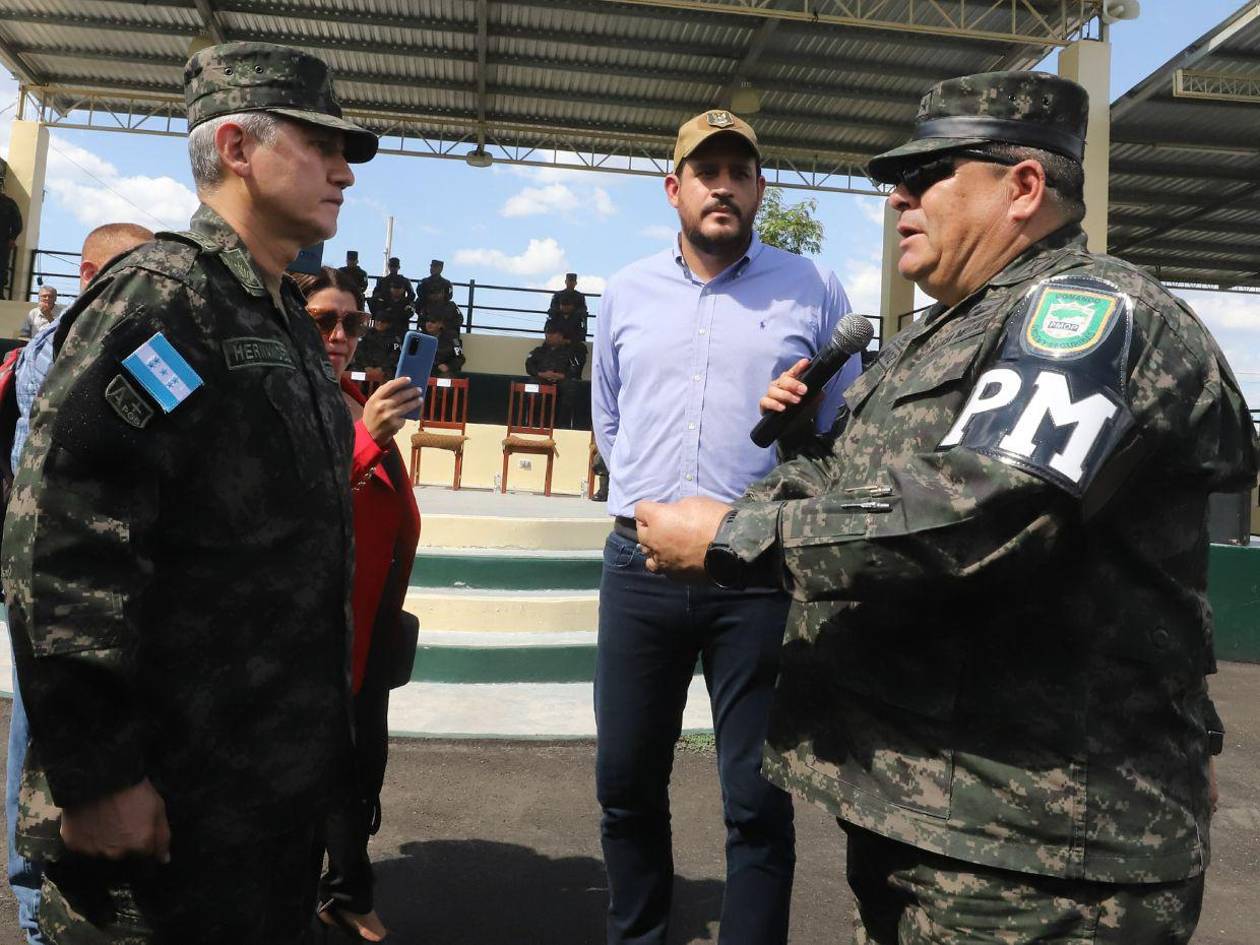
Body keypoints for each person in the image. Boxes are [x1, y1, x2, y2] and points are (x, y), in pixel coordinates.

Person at [634, 72, 1259, 945]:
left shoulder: (1091, 315)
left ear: (1023, 187)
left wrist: (734, 534)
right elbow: (860, 486)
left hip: (1044, 857)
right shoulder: (939, 333)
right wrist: (799, 446)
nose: (898, 198)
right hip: (931, 824)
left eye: (926, 175)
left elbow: (984, 513)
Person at [0, 40, 379, 944]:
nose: (343, 172)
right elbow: (62, 542)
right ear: (238, 148)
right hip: (166, 813)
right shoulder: (164, 301)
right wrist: (98, 776)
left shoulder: (282, 318)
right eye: (320, 144)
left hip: (261, 806)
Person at [590, 109, 859, 945]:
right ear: (674, 189)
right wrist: (654, 507)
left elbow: (851, 435)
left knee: (756, 799)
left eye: (739, 172)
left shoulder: (814, 288)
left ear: (760, 189)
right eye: (706, 172)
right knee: (625, 785)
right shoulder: (626, 291)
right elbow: (609, 419)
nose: (723, 186)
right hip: (639, 570)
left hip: (756, 577)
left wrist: (804, 428)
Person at [2, 222, 153, 945]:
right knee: (43, 734)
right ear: (90, 276)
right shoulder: (68, 344)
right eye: (130, 272)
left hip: (81, 574)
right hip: (57, 578)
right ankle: (34, 902)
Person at [301, 267, 420, 943]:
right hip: (312, 624)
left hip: (367, 620)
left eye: (353, 322)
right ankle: (334, 893)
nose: (340, 334)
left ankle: (344, 888)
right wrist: (369, 437)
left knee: (362, 761)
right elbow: (297, 501)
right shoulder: (286, 395)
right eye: (324, 320)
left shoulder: (352, 397)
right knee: (320, 765)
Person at [526, 320, 585, 429]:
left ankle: (563, 425)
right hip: (542, 381)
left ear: (561, 336)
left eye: (553, 333)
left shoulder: (570, 353)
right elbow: (529, 366)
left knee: (571, 388)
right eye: (547, 333)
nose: (549, 336)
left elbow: (575, 368)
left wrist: (561, 376)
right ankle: (534, 424)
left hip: (561, 383)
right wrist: (542, 374)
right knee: (531, 387)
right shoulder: (538, 351)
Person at [0, 160, 21, 301]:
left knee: (1, 267)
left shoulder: (9, 203)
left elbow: (18, 223)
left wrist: (13, 238)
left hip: (3, 242)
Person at [547, 272, 588, 342]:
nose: (570, 283)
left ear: (575, 283)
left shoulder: (580, 296)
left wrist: (572, 312)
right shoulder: (558, 295)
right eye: (569, 281)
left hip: (574, 321)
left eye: (572, 282)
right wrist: (562, 311)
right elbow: (553, 308)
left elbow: (583, 309)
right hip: (559, 320)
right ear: (566, 282)